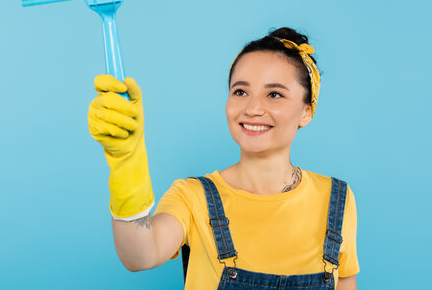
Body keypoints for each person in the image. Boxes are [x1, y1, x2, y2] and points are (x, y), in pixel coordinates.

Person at [88, 27, 359, 290]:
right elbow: (139, 256)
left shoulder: (336, 199)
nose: (253, 108)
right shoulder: (192, 197)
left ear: (306, 111)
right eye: (240, 91)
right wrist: (126, 160)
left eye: (274, 94)